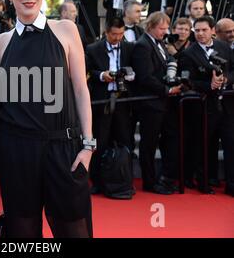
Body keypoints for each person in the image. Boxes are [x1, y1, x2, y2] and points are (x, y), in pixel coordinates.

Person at [0, 0, 94, 238]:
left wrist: (88, 145)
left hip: (63, 148)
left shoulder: (65, 29)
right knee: (22, 231)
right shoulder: (2, 42)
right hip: (17, 151)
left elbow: (80, 89)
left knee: (74, 229)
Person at [180, 16, 234, 196]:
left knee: (230, 143)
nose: (200, 34)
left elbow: (233, 69)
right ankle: (203, 182)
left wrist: (226, 79)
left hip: (226, 105)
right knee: (203, 145)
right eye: (197, 31)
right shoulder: (188, 53)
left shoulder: (223, 47)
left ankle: (231, 184)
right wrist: (208, 86)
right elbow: (188, 81)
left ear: (212, 30)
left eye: (204, 30)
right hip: (203, 107)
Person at [131, 12, 182, 195]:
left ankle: (165, 178)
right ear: (151, 27)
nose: (165, 31)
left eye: (166, 28)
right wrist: (166, 90)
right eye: (162, 28)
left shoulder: (159, 43)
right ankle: (149, 181)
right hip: (151, 104)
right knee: (149, 144)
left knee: (169, 139)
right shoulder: (142, 46)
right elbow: (145, 77)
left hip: (164, 103)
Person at [85, 17, 135, 195]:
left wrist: (129, 76)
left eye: (121, 34)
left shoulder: (130, 47)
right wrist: (102, 75)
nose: (118, 38)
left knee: (125, 139)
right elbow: (87, 71)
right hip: (102, 100)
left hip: (122, 100)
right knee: (100, 140)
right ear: (106, 32)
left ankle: (125, 180)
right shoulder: (93, 49)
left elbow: (135, 69)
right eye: (114, 34)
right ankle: (98, 181)